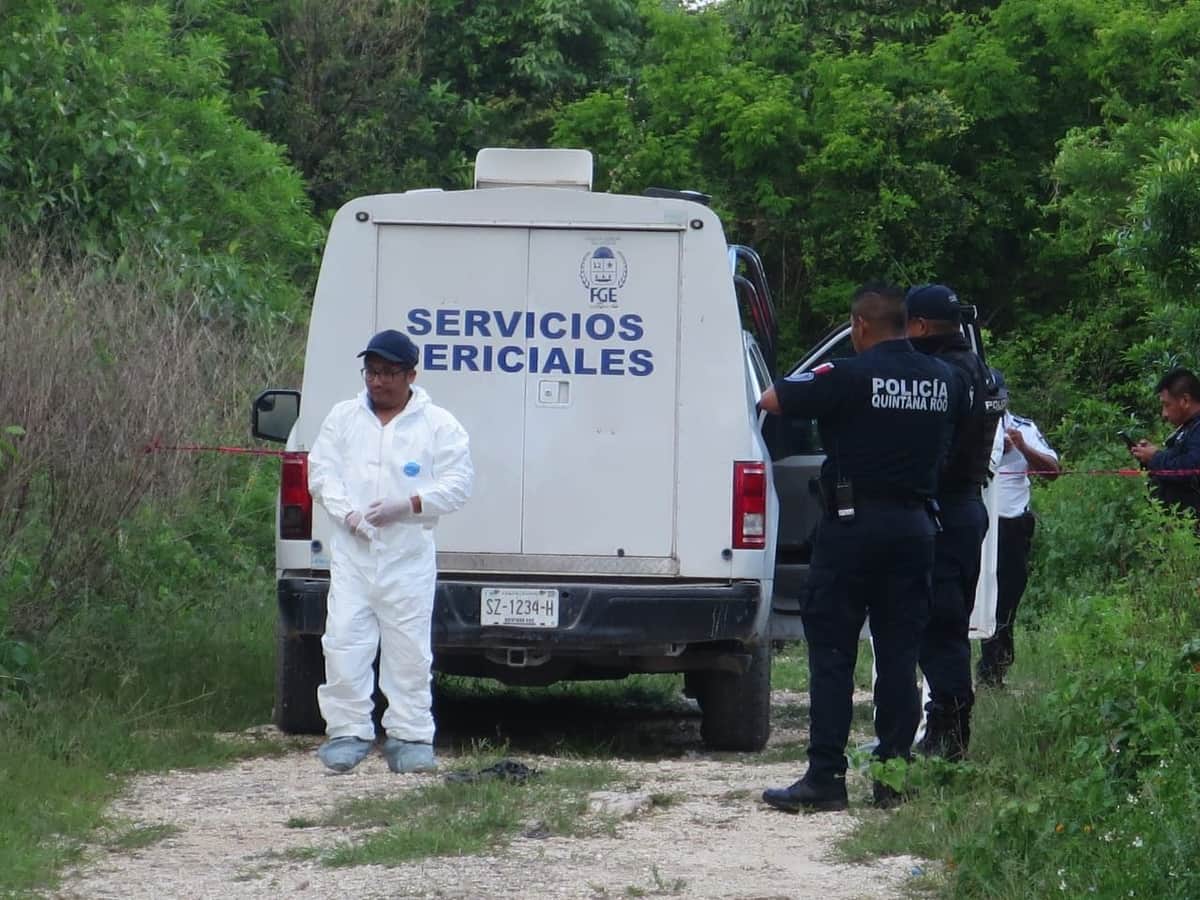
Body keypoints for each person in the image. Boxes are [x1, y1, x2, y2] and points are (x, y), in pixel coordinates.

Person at [759, 282, 966, 812]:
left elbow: (773, 400)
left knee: (832, 655)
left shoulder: (849, 375)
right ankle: (891, 779)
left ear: (860, 327)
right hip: (917, 529)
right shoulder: (945, 379)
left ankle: (825, 778)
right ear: (905, 323)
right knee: (898, 658)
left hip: (852, 531)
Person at [307, 329, 473, 774]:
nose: (378, 382)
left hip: (407, 557)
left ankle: (410, 735)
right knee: (344, 642)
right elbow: (322, 474)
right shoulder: (344, 418)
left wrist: (410, 504)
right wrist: (349, 515)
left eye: (388, 373)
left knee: (408, 650)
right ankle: (347, 731)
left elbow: (458, 485)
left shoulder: (438, 425)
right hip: (354, 555)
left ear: (410, 375)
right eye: (372, 372)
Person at [904, 284, 1003, 761]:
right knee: (948, 624)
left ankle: (950, 735)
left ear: (921, 326)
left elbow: (937, 452)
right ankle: (948, 726)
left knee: (938, 627)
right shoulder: (981, 371)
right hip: (966, 508)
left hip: (944, 508)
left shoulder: (943, 375)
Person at [976, 370, 1059, 688]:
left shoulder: (1022, 428)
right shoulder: (967, 426)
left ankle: (994, 671)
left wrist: (1022, 447)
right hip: (975, 523)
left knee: (1006, 599)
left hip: (1010, 526)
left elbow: (1053, 471)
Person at [1130, 368, 1200, 519]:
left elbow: (1191, 469)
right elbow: (1179, 459)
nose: (1164, 414)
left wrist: (1155, 458)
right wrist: (1150, 456)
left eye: (1166, 405)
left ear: (1185, 401)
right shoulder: (1189, 427)